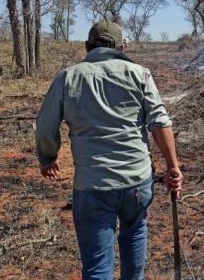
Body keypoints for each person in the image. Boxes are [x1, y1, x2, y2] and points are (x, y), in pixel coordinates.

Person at [35, 20, 183, 280]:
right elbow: (159, 122)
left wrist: (48, 158)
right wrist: (173, 168)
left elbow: (45, 127)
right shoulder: (139, 74)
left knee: (97, 268)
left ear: (87, 46)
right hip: (137, 183)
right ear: (122, 47)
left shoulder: (68, 77)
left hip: (93, 186)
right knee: (134, 235)